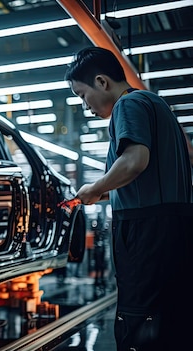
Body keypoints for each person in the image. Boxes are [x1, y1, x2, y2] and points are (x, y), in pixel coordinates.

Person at [65, 47, 193, 351]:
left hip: (148, 234)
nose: (86, 106)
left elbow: (135, 160)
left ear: (102, 81)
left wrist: (95, 187)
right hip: (172, 231)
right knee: (171, 323)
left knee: (141, 324)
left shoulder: (129, 104)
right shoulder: (155, 105)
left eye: (83, 95)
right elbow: (146, 176)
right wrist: (106, 190)